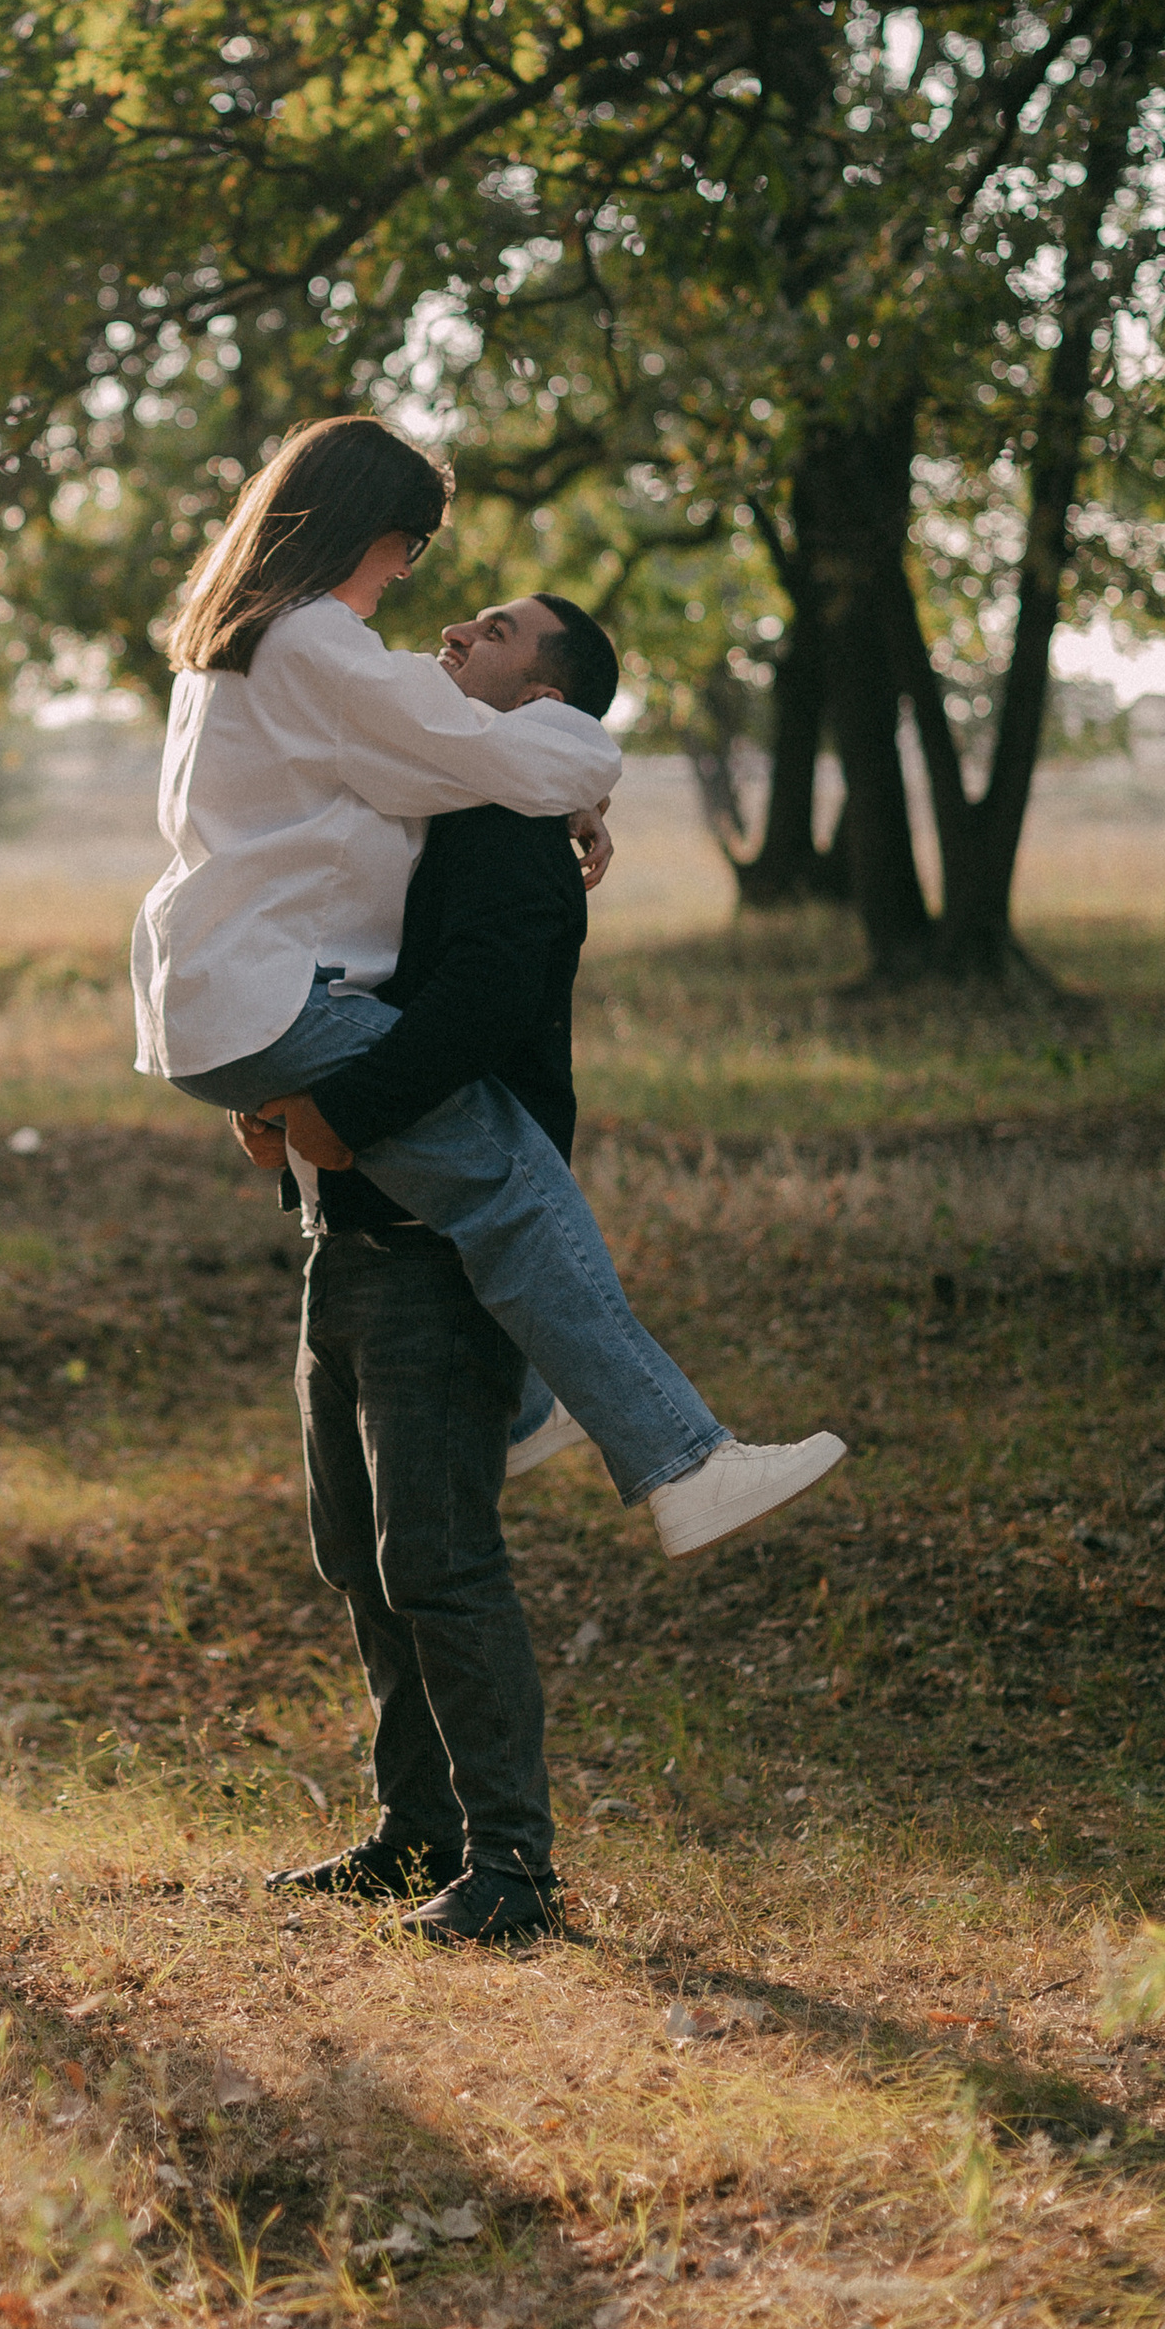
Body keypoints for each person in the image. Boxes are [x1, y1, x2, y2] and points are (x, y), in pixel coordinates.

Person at [134, 416, 844, 1558]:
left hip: (211, 990)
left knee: (480, 1192)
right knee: (517, 1187)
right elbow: (491, 746)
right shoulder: (316, 638)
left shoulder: (243, 643)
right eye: (406, 552)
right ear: (366, 528)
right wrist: (572, 770)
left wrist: (544, 781)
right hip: (275, 990)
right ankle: (683, 1463)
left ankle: (523, 1418)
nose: (405, 582)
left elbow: (425, 743)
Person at [238, 590, 629, 1945]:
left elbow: (480, 1004)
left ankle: (511, 1865)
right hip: (342, 1236)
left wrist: (338, 1111)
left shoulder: (514, 832)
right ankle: (418, 1837)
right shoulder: (430, 800)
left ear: (547, 700)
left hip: (440, 1249)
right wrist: (278, 1085)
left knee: (440, 1559)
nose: (461, 623)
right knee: (356, 1551)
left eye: (502, 627)